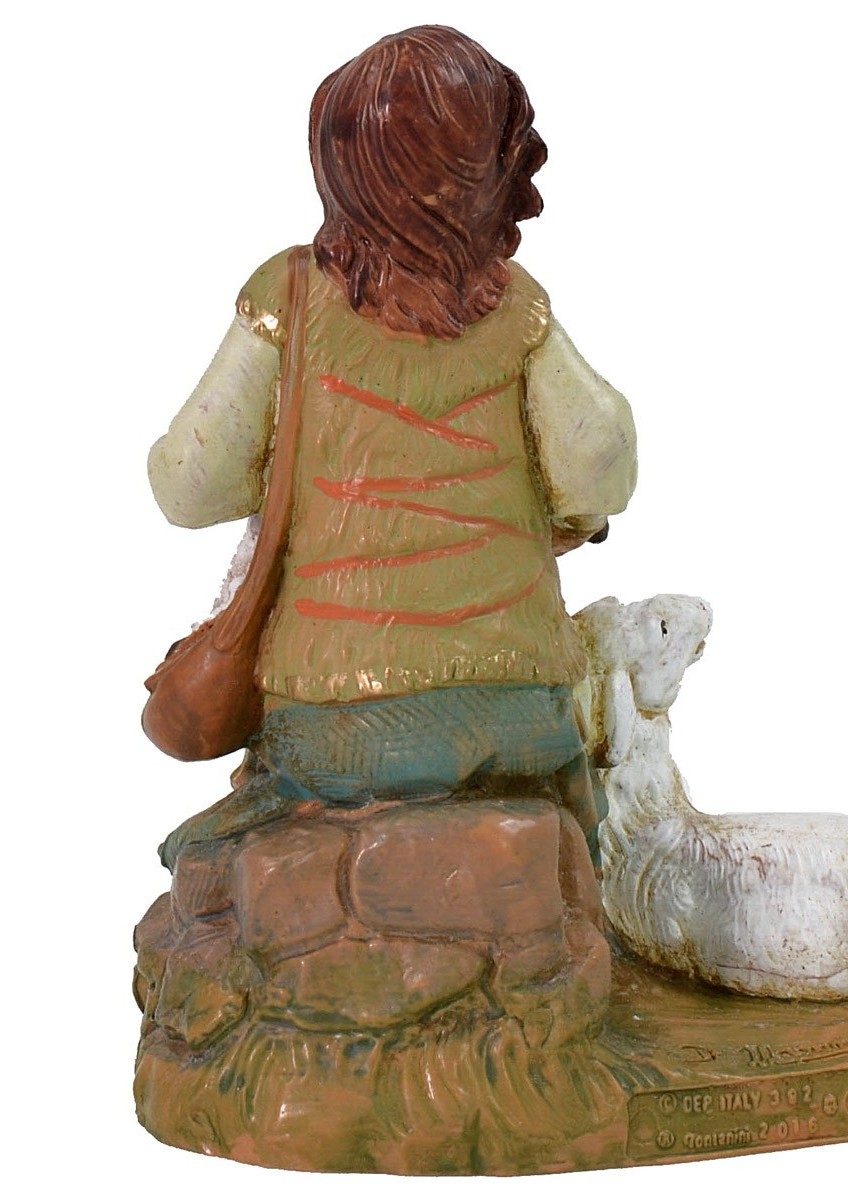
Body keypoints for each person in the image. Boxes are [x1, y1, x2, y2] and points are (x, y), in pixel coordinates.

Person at [148, 27, 635, 867]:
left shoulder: (291, 295)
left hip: (341, 714)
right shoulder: (519, 309)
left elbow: (188, 485)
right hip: (523, 709)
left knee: (302, 779)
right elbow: (600, 465)